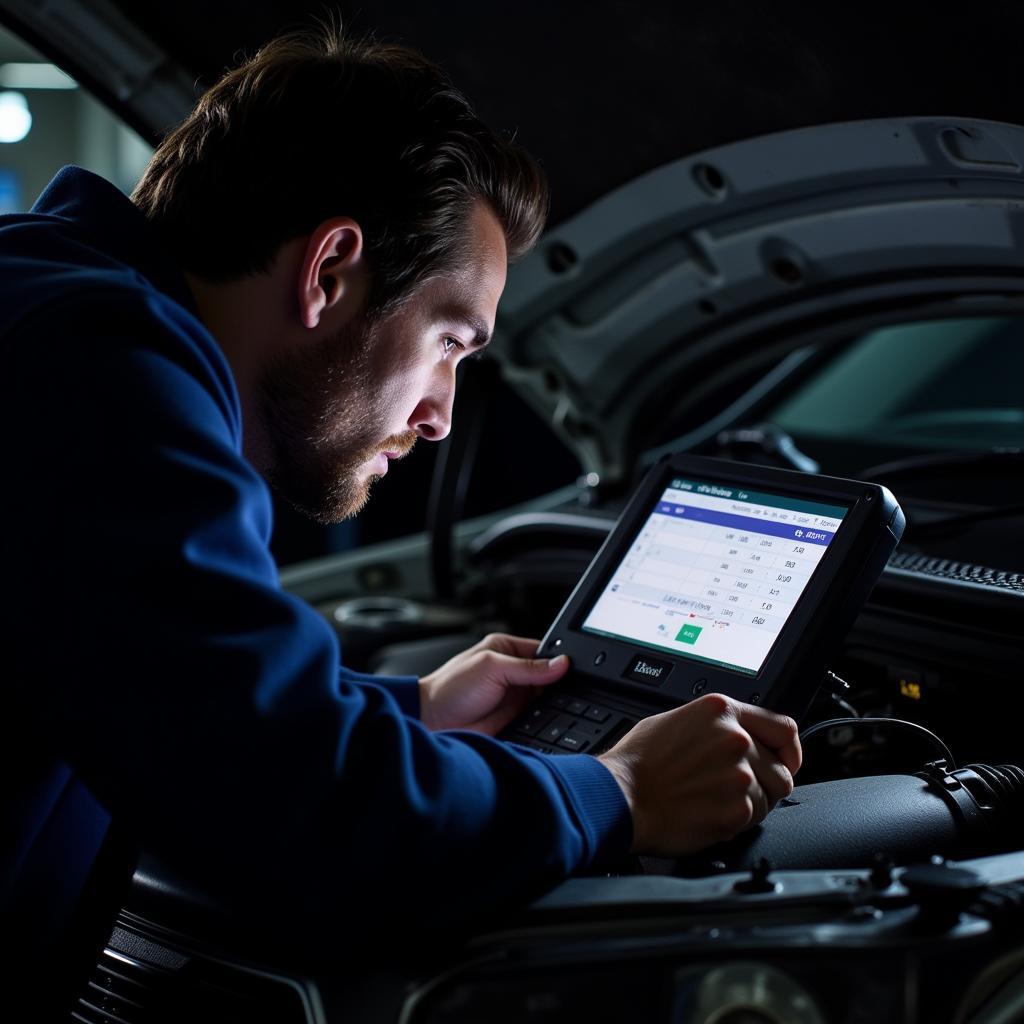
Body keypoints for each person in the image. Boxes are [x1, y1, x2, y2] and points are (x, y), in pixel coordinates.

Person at [0, 23, 800, 999]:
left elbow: (159, 696)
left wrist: (410, 708)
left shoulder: (41, 302)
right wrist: (620, 791)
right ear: (330, 268)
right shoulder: (96, 375)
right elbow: (298, 809)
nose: (439, 418)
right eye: (451, 342)